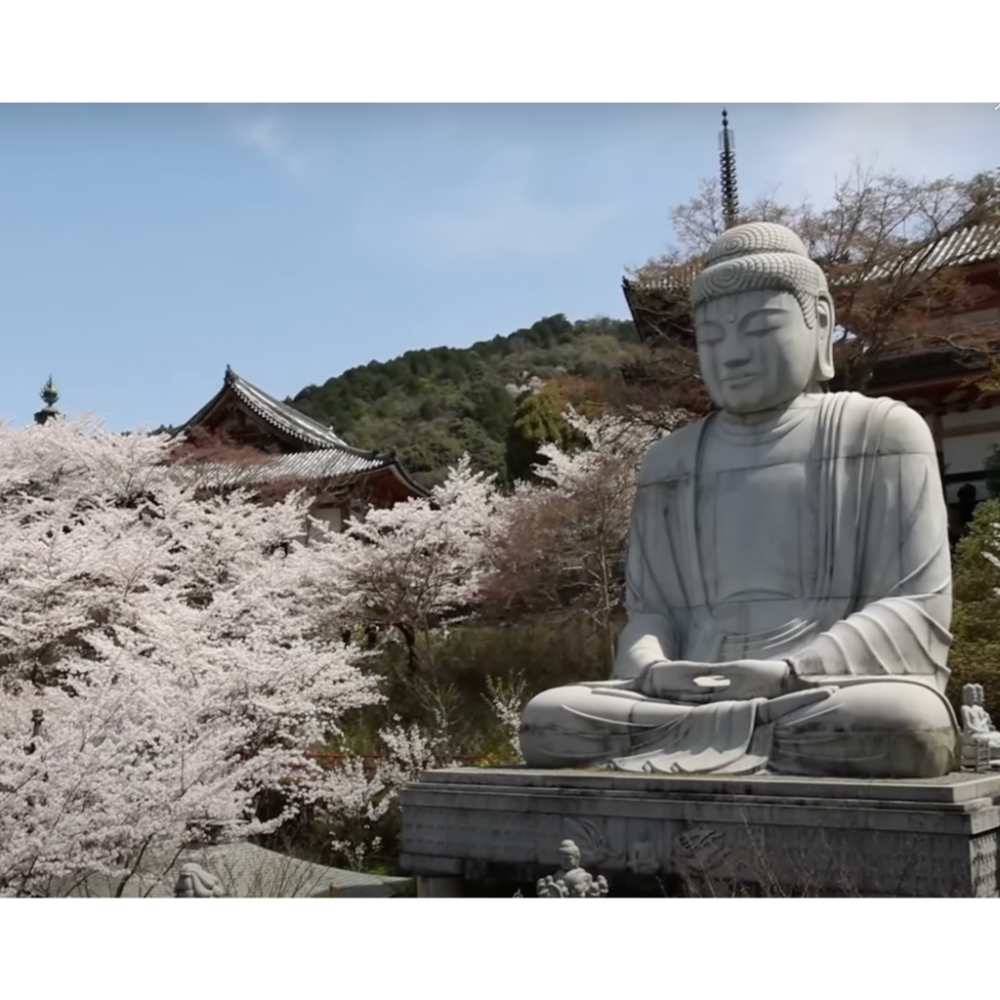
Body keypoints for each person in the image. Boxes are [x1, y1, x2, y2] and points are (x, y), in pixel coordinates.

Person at [519, 222, 958, 779]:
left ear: (819, 322)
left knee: (903, 721)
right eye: (712, 339)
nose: (732, 356)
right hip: (679, 695)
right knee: (551, 717)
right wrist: (653, 668)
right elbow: (652, 613)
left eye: (760, 328)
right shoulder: (670, 460)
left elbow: (915, 606)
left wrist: (790, 670)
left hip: (817, 689)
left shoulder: (881, 431)